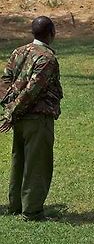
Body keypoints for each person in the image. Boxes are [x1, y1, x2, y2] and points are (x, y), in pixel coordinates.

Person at [0, 16, 63, 221]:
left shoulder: (18, 52)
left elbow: (5, 81)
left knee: (20, 161)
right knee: (37, 165)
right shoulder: (47, 58)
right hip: (37, 118)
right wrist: (12, 112)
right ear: (51, 32)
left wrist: (9, 107)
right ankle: (33, 211)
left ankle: (16, 205)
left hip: (20, 118)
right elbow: (32, 91)